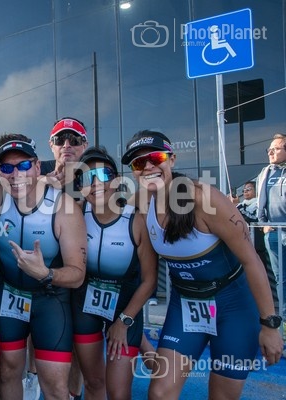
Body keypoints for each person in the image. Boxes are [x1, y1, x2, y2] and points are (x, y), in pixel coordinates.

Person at [121, 130, 284, 399]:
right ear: (134, 172)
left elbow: (251, 260)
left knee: (221, 396)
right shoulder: (140, 202)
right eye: (139, 162)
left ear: (171, 160)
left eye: (156, 158)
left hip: (233, 306)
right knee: (159, 393)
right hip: (185, 305)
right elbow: (101, 210)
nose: (148, 166)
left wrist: (270, 324)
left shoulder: (206, 200)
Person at [0, 133, 86, 400]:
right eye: (7, 168)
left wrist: (46, 273)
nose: (15, 174)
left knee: (54, 384)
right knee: (8, 372)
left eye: (23, 165)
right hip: (9, 294)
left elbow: (77, 274)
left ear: (36, 166)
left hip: (49, 299)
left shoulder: (63, 207)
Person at [71, 147, 157, 400]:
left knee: (119, 392)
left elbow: (150, 280)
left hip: (125, 309)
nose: (96, 183)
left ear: (116, 180)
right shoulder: (75, 214)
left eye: (103, 174)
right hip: (85, 305)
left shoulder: (136, 220)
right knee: (94, 382)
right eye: (87, 177)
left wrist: (124, 322)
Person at [233, 181, 278, 313]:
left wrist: (236, 207)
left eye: (249, 189)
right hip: (243, 248)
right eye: (244, 189)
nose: (245, 192)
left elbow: (254, 219)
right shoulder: (241, 206)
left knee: (260, 278)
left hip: (257, 248)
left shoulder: (259, 205)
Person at [257, 133, 286, 317]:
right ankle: (284, 317)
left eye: (276, 149)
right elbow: (260, 202)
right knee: (280, 278)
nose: (270, 152)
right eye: (269, 149)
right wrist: (263, 224)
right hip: (274, 233)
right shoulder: (265, 172)